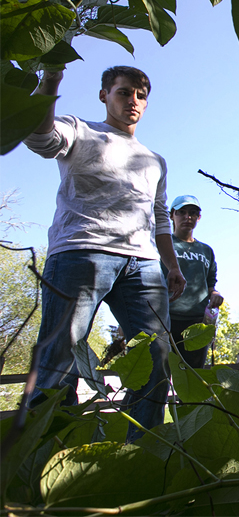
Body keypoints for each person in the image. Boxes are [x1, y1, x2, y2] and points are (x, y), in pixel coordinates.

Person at [23, 66, 185, 437]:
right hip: (81, 252)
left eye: (140, 95)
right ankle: (51, 457)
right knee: (60, 356)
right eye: (124, 92)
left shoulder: (154, 159)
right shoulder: (79, 129)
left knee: (156, 356)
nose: (133, 101)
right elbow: (40, 139)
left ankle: (138, 454)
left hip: (142, 266)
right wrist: (50, 80)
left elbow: (160, 216)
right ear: (104, 95)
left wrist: (171, 266)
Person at [164, 194, 223, 368]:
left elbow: (210, 282)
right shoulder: (163, 244)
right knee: (159, 374)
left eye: (192, 213)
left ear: (199, 217)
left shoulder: (206, 250)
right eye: (181, 212)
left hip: (196, 322)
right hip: (165, 318)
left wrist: (215, 294)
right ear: (171, 215)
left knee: (193, 376)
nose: (187, 217)